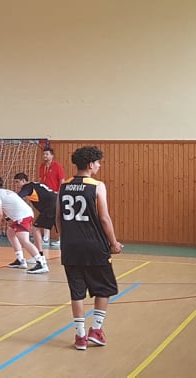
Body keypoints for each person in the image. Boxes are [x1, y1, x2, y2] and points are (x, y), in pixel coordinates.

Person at [57, 146, 123, 350]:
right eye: (97, 162)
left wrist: (67, 239)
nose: (99, 166)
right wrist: (114, 243)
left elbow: (58, 218)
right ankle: (96, 330)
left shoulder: (63, 185)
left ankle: (80, 336)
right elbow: (104, 218)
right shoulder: (97, 186)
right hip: (94, 246)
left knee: (77, 291)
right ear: (90, 164)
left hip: (70, 247)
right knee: (104, 287)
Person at [0, 176, 49, 274]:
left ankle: (41, 263)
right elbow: (9, 207)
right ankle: (20, 260)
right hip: (24, 214)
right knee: (10, 232)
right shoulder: (6, 192)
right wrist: (4, 218)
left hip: (22, 216)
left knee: (24, 241)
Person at [13, 172, 57, 251]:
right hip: (57, 203)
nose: (16, 184)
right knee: (61, 227)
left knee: (35, 228)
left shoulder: (27, 187)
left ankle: (39, 254)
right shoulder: (35, 184)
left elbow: (17, 198)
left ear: (23, 180)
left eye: (17, 182)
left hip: (51, 206)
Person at [39, 147, 65, 245]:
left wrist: (59, 193)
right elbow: (41, 179)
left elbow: (62, 180)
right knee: (46, 215)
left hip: (55, 194)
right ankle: (46, 238)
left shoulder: (57, 166)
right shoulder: (42, 166)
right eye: (44, 154)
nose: (45, 156)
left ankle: (61, 239)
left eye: (47, 154)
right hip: (45, 195)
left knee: (57, 216)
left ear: (52, 156)